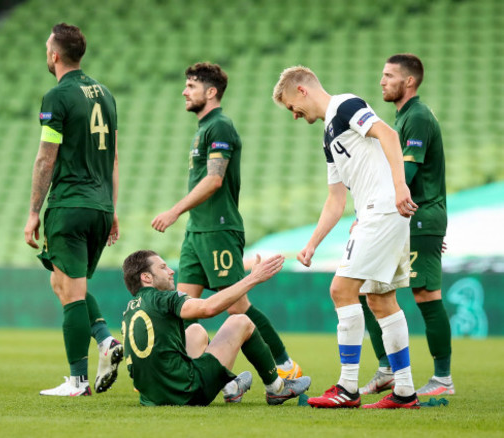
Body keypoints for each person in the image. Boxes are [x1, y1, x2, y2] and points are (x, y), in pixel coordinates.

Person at [273, 66, 421, 409]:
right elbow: (335, 201)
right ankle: (404, 392)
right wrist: (311, 244)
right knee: (381, 301)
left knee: (341, 290)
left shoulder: (344, 105)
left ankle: (348, 388)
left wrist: (400, 186)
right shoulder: (329, 135)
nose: (294, 115)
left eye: (291, 106)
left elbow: (388, 134)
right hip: (375, 213)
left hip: (384, 208)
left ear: (302, 90)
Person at [151, 62, 302, 380]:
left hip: (218, 228)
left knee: (237, 306)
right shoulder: (203, 129)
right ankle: (174, 372)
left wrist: (174, 210)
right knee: (184, 307)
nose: (184, 92)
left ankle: (285, 367)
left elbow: (215, 180)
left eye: (191, 86)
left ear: (211, 92)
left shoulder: (220, 126)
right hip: (197, 230)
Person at [24, 23, 122, 397]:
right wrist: (112, 207)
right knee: (63, 283)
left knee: (72, 290)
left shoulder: (57, 96)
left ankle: (78, 381)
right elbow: (113, 157)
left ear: (54, 55)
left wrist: (34, 211)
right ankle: (105, 340)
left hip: (69, 203)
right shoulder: (106, 95)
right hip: (99, 205)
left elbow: (46, 158)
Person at [359, 54, 453, 397]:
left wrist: (371, 214)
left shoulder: (417, 118)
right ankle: (386, 368)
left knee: (426, 293)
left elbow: (408, 176)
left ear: (408, 81)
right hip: (409, 216)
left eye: (389, 75)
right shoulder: (402, 120)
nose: (382, 81)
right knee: (368, 288)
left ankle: (443, 379)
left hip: (418, 214)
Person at [121, 250, 311, 406]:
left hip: (150, 398)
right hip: (186, 393)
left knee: (196, 332)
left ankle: (230, 387)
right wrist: (252, 279)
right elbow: (208, 308)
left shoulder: (129, 310)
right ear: (146, 277)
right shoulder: (163, 298)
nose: (171, 271)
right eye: (163, 267)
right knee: (240, 321)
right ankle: (276, 388)